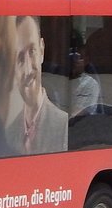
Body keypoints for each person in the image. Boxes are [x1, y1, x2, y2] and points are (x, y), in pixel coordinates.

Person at [5, 15, 68, 154]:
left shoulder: (63, 126)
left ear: (42, 50)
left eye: (32, 51)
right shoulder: (9, 133)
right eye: (20, 58)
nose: (28, 69)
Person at [68, 51, 101, 119]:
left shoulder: (90, 84)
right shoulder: (61, 80)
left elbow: (78, 112)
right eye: (72, 59)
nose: (75, 61)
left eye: (79, 58)